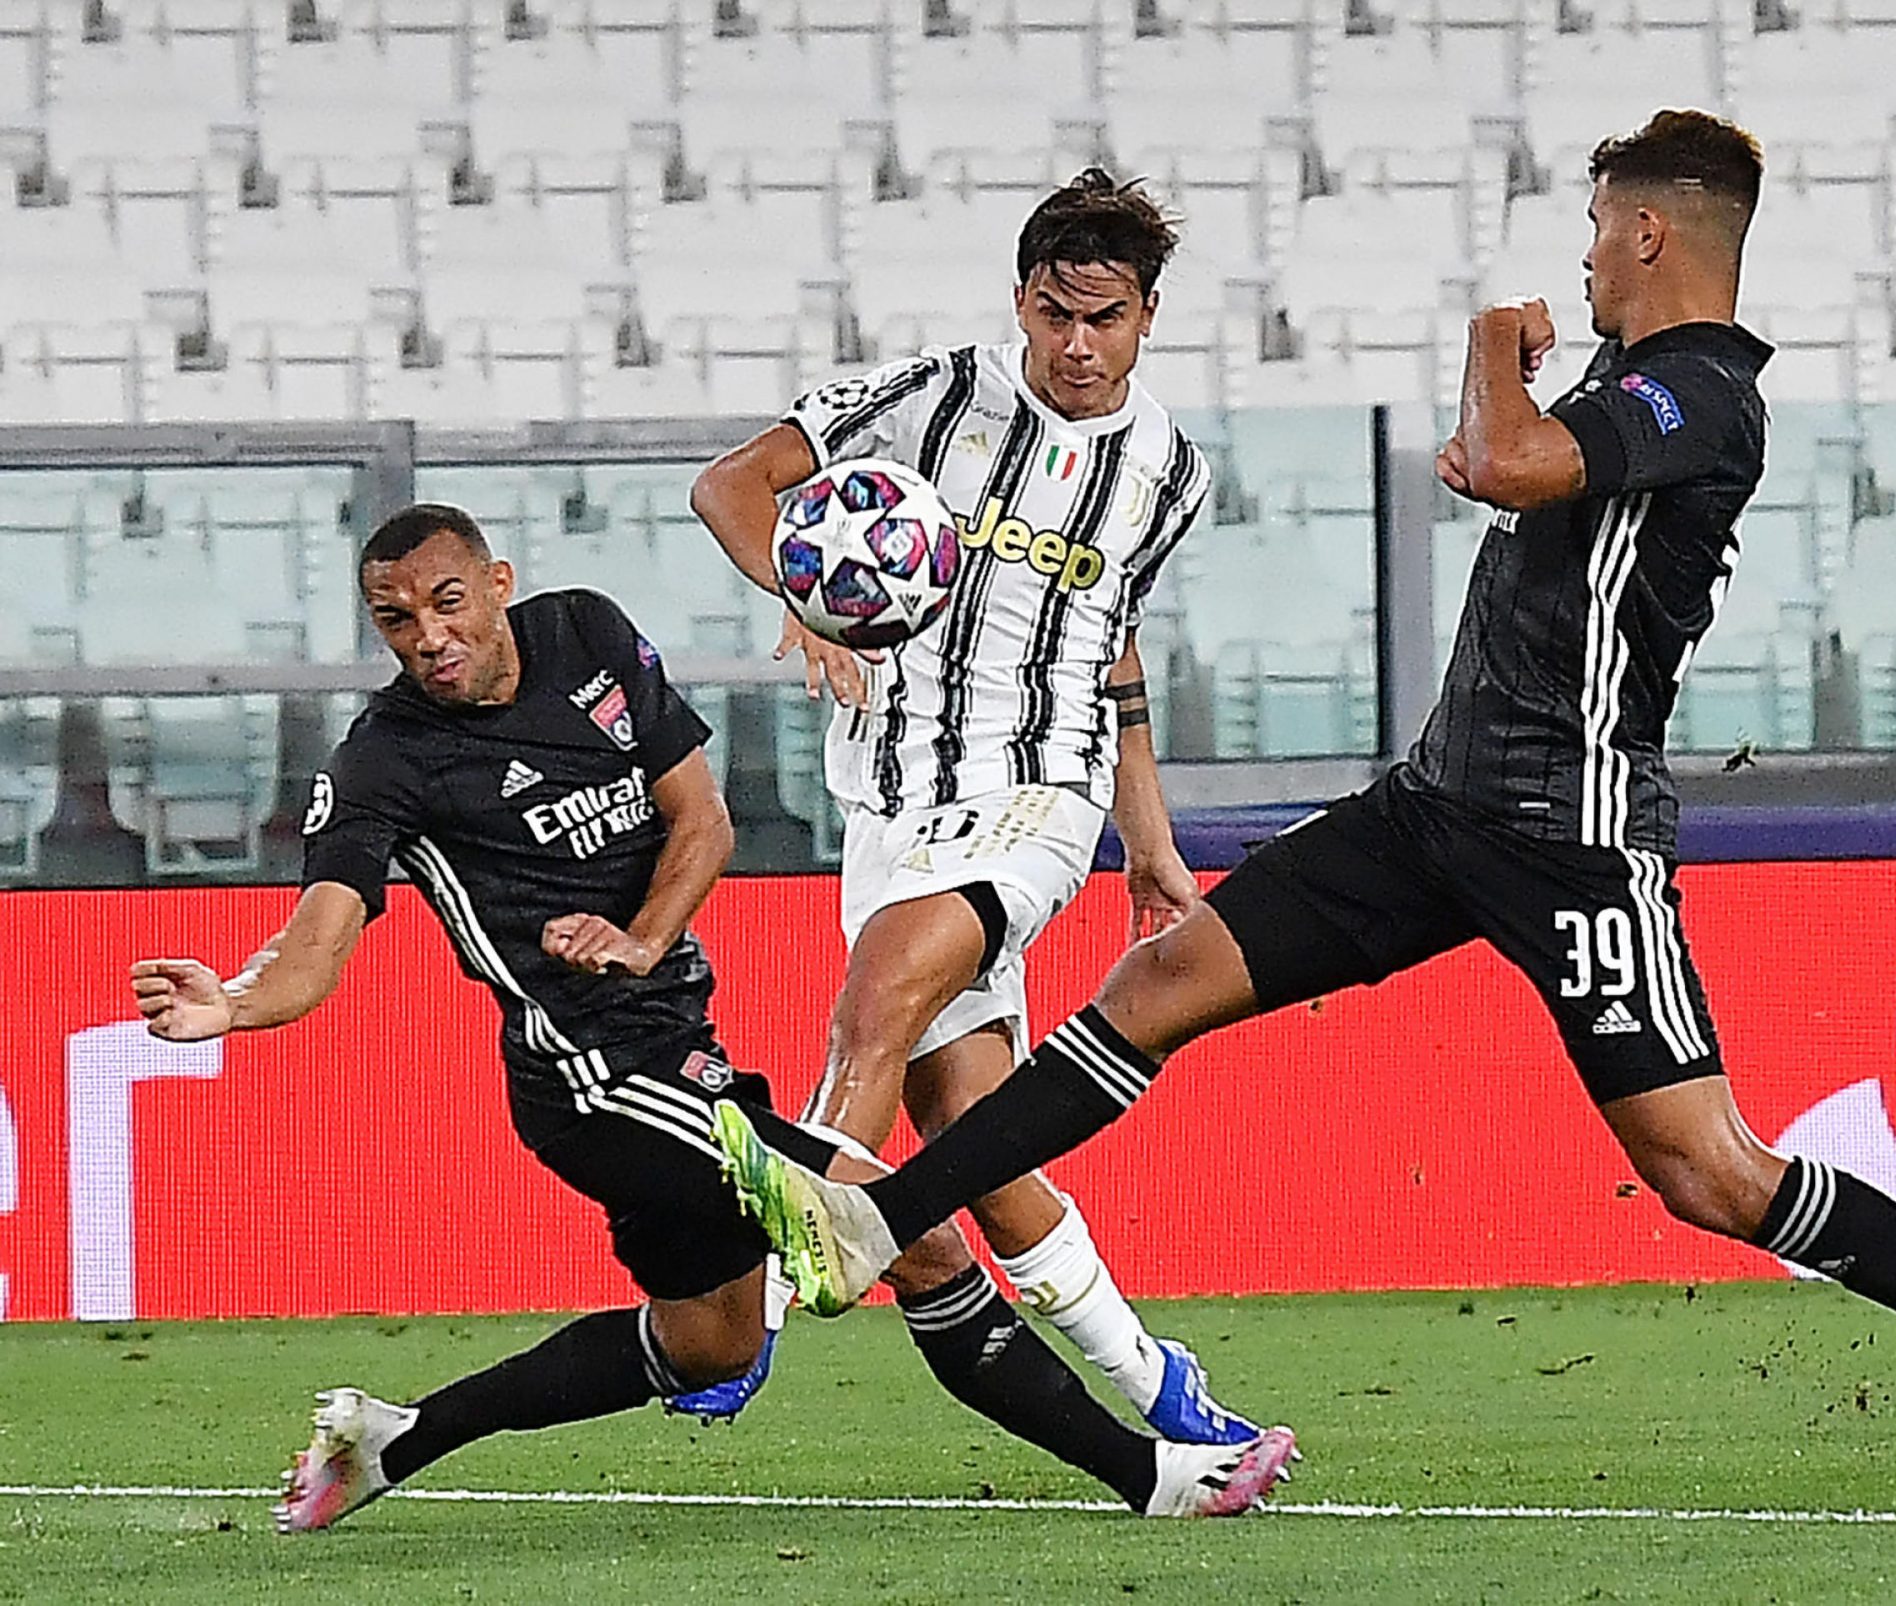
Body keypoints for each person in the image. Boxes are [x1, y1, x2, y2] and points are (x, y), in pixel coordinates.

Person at [711, 110, 1896, 1532]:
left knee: (1710, 1172)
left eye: (1595, 230)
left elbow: (1501, 462)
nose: (1583, 259)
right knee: (1156, 982)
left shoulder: (1700, 390)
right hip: (1438, 800)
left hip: (1571, 832)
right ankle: (870, 1219)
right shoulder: (1630, 373)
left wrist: (1487, 354)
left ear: (1647, 232)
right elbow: (1505, 466)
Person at [126, 505, 1295, 1534]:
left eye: (444, 602)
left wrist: (641, 937)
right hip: (591, 1081)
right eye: (394, 620)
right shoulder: (388, 758)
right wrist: (232, 1003)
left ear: (498, 583)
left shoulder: (585, 633)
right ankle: (1154, 1473)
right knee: (906, 1230)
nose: (427, 636)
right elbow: (319, 942)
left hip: (681, 1052)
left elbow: (703, 822)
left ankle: (392, 1438)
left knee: (711, 1342)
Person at [688, 167, 1256, 1444]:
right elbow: (729, 485)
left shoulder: (1168, 474)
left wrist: (1144, 839)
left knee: (877, 996)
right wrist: (797, 600)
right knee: (973, 1137)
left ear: (1146, 317)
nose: (1075, 343)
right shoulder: (935, 393)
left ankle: (762, 1306)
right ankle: (1156, 1382)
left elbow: (1108, 655)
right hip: (889, 803)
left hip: (1035, 795)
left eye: (1103, 318)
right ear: (1021, 301)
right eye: (1054, 312)